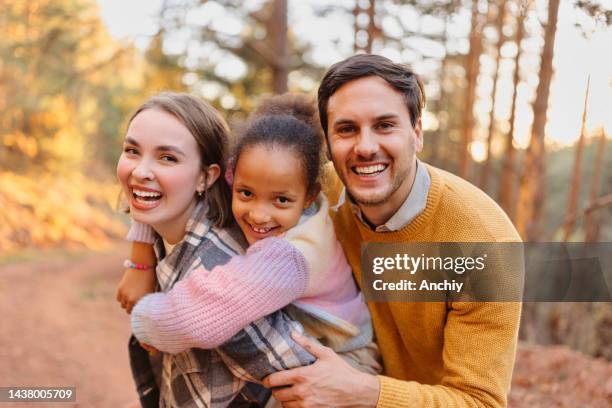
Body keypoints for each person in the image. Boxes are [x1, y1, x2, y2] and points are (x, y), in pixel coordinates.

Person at [263, 54, 522, 407]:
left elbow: (480, 402)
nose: (365, 147)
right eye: (347, 128)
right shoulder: (313, 194)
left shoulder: (486, 244)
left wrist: (362, 391)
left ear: (417, 134)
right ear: (328, 139)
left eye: (385, 125)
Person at [125, 94, 381, 394]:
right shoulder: (278, 178)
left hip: (344, 362)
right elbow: (154, 186)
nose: (258, 214)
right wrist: (141, 254)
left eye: (281, 200)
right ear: (232, 174)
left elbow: (202, 315)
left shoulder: (289, 257)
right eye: (245, 193)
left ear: (310, 194)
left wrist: (144, 319)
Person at [116, 92, 316, 408]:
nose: (140, 170)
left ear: (207, 176)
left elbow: (302, 375)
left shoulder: (219, 271)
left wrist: (144, 317)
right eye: (132, 150)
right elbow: (138, 196)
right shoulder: (172, 219)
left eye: (168, 157)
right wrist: (140, 261)